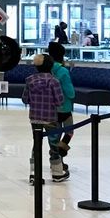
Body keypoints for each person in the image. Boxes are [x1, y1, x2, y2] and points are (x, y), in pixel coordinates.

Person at [22, 54, 69, 184]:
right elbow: (60, 101)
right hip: (51, 118)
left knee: (36, 145)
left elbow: (25, 99)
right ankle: (57, 173)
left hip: (35, 118)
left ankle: (34, 174)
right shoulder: (54, 81)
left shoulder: (29, 80)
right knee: (54, 146)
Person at [47, 42, 75, 161]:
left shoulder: (46, 69)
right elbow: (70, 92)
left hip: (51, 108)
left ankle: (56, 158)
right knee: (69, 132)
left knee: (54, 135)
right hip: (65, 108)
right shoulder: (63, 71)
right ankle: (61, 150)